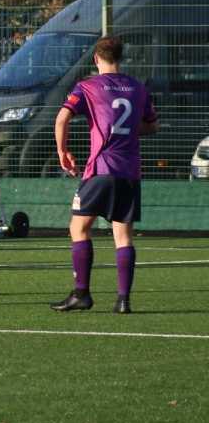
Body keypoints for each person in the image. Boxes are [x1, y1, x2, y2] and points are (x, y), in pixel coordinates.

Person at [51, 36, 158, 314]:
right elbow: (151, 126)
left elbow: (62, 118)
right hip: (130, 171)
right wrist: (129, 128)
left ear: (96, 59)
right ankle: (123, 300)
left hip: (101, 168)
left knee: (78, 228)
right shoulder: (137, 88)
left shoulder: (88, 86)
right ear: (120, 58)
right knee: (123, 236)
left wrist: (63, 151)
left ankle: (82, 293)